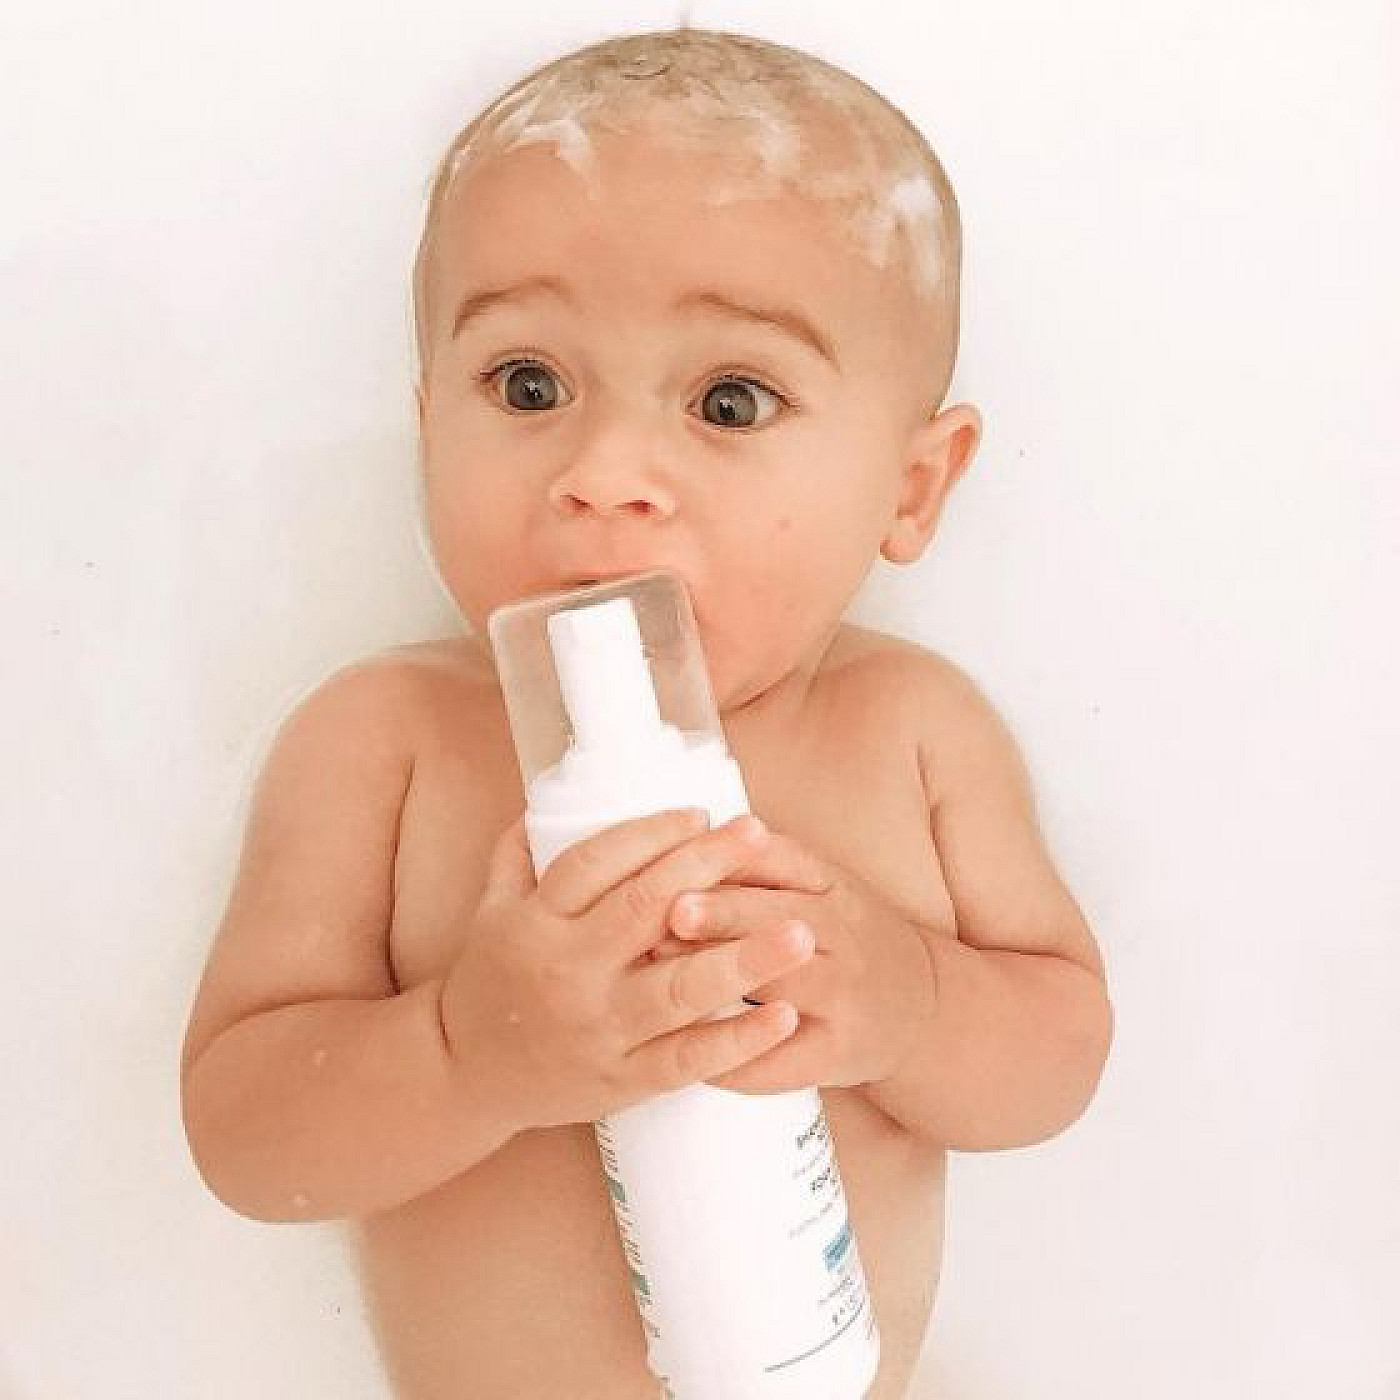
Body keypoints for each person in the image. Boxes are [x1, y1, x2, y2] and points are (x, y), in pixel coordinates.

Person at [179, 26, 1113, 1400]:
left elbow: (1059, 1057)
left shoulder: (913, 732)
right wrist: (467, 1053)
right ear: (430, 423)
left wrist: (910, 1005)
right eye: (529, 385)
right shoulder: (385, 744)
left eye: (730, 401)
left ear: (913, 486)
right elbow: (247, 1140)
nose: (605, 471)